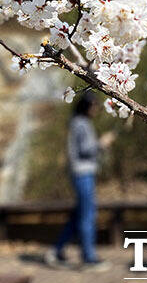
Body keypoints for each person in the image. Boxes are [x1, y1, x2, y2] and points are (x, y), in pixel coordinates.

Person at [46, 90, 113, 270]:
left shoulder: (78, 122)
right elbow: (86, 149)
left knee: (79, 215)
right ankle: (88, 257)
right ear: (86, 106)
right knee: (88, 215)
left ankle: (56, 251)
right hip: (83, 174)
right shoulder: (81, 123)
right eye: (94, 105)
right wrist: (102, 143)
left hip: (82, 173)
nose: (96, 109)